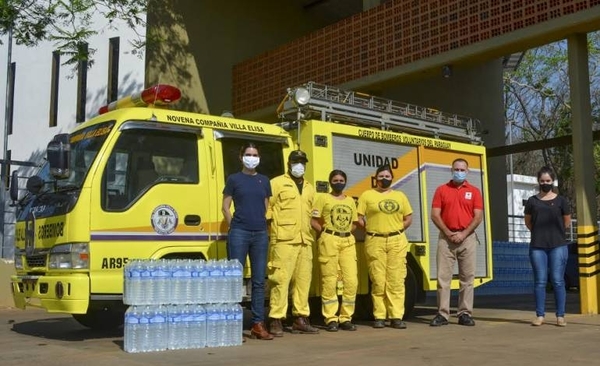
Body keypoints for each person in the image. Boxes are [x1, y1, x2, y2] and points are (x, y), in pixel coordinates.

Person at [222, 142, 273, 340]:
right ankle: (232, 324)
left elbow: (265, 207)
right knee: (234, 278)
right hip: (240, 232)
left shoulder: (264, 180)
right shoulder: (234, 179)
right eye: (248, 154)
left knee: (259, 281)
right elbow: (225, 206)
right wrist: (233, 226)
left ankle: (258, 324)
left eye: (255, 154)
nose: (252, 157)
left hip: (260, 234)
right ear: (241, 156)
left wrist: (264, 227)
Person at [267, 150, 319, 336]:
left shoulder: (309, 187)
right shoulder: (277, 183)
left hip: (305, 240)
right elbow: (268, 208)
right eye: (296, 162)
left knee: (303, 282)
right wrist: (271, 230)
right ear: (289, 163)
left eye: (302, 162)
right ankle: (276, 319)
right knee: (280, 280)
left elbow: (312, 213)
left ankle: (300, 318)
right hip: (283, 240)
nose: (299, 165)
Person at [357, 164, 413, 329]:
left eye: (387, 176)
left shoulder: (400, 196)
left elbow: (408, 217)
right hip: (375, 240)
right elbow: (359, 217)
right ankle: (380, 317)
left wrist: (398, 228)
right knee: (378, 280)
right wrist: (369, 228)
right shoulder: (367, 195)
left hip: (397, 240)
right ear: (376, 178)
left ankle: (396, 317)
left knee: (396, 280)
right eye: (381, 176)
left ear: (392, 178)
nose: (384, 179)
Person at [430, 158, 483, 327]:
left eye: (462, 169)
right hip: (446, 239)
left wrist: (463, 234)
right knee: (443, 278)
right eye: (456, 169)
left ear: (467, 172)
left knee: (467, 278)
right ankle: (442, 314)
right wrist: (448, 232)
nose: (459, 172)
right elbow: (435, 214)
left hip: (467, 239)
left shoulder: (474, 192)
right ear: (451, 170)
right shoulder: (441, 190)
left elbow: (478, 216)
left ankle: (465, 313)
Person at [311, 170, 359, 332]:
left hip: (347, 241)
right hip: (329, 240)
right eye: (335, 180)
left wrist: (346, 233)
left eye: (341, 180)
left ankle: (346, 318)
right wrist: (324, 233)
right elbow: (314, 220)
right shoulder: (323, 198)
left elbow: (354, 223)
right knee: (329, 280)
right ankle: (331, 318)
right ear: (330, 182)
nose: (338, 182)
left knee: (351, 281)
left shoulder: (351, 201)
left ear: (345, 182)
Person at [524, 166, 571, 327]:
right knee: (540, 281)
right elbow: (528, 222)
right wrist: (539, 233)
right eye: (542, 181)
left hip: (558, 246)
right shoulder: (532, 201)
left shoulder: (561, 201)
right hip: (537, 246)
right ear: (539, 181)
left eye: (548, 181)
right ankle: (540, 315)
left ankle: (560, 316)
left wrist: (554, 234)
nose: (545, 183)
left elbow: (566, 222)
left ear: (553, 181)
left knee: (558, 281)